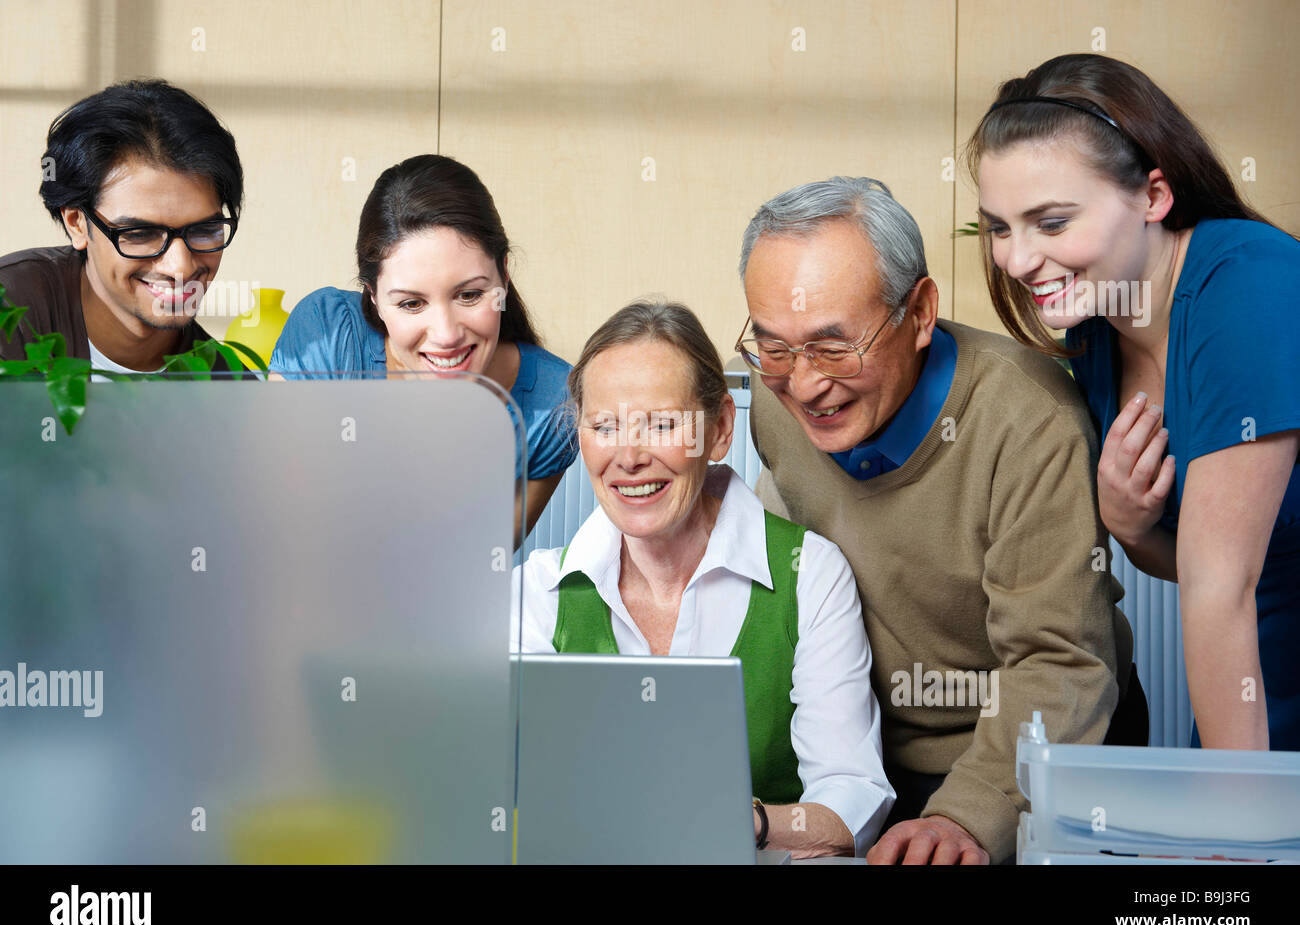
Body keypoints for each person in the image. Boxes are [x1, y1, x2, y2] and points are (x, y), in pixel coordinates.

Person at [738, 175, 1144, 865]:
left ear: (921, 311)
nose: (803, 384)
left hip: (1033, 752)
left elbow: (1058, 660)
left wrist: (966, 816)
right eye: (775, 347)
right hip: (871, 763)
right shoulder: (776, 400)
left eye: (834, 346)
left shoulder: (1028, 420)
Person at [967, 53, 1300, 752]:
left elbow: (1220, 586)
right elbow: (1208, 563)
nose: (1017, 260)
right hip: (1262, 670)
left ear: (1153, 196)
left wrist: (1234, 805)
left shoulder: (1250, 284)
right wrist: (1131, 527)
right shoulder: (1095, 335)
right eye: (999, 228)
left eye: (1051, 223)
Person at [512, 300, 894, 858]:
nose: (629, 457)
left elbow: (850, 805)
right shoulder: (536, 593)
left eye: (662, 424)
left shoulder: (810, 574)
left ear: (719, 430)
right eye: (605, 426)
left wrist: (743, 822)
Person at [270, 155, 575, 540]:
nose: (446, 335)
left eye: (469, 295)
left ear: (504, 275)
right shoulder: (328, 335)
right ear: (374, 296)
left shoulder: (554, 401)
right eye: (412, 303)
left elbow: (483, 554)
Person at [0, 80, 244, 373]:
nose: (180, 267)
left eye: (204, 230)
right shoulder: (10, 311)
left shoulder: (225, 382)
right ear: (77, 223)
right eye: (141, 234)